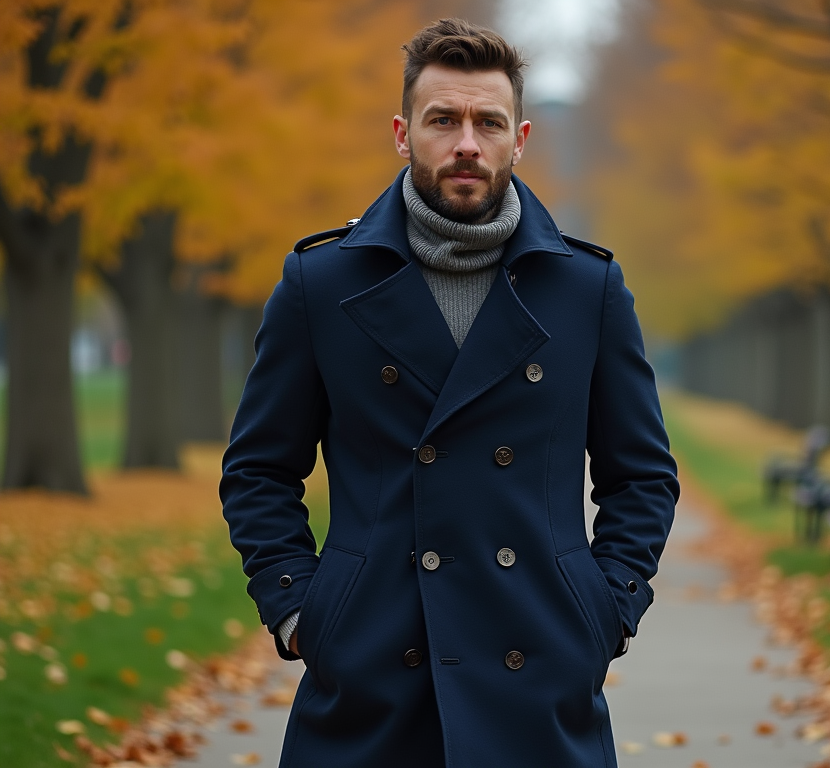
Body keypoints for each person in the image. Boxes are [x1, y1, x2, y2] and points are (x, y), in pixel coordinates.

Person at [220, 17, 679, 768]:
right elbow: (258, 470)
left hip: (539, 678)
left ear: (519, 139)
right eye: (443, 120)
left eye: (487, 122)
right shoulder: (322, 283)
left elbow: (643, 477)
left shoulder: (587, 288)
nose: (466, 142)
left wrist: (607, 613)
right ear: (403, 134)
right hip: (369, 679)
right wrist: (303, 611)